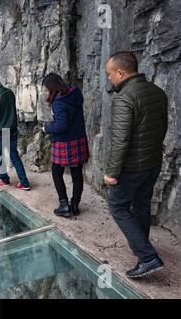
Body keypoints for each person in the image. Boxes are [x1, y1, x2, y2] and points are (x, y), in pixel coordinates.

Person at [104, 51, 168, 278]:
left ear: (121, 72)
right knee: (141, 206)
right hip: (152, 163)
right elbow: (162, 128)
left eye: (110, 74)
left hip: (131, 168)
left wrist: (111, 173)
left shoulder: (124, 98)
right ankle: (142, 247)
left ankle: (148, 257)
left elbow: (120, 140)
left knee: (118, 207)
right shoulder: (158, 92)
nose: (110, 79)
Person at [42, 73, 89, 218]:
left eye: (47, 89)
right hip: (78, 140)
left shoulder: (59, 102)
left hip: (64, 143)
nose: (46, 92)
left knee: (57, 173)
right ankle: (74, 205)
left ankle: (64, 205)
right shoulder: (75, 93)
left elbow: (61, 125)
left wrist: (47, 128)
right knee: (76, 174)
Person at [0, 71, 31, 191]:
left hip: (0, 131)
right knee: (14, 156)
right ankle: (24, 183)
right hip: (12, 129)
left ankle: (4, 179)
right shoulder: (9, 92)